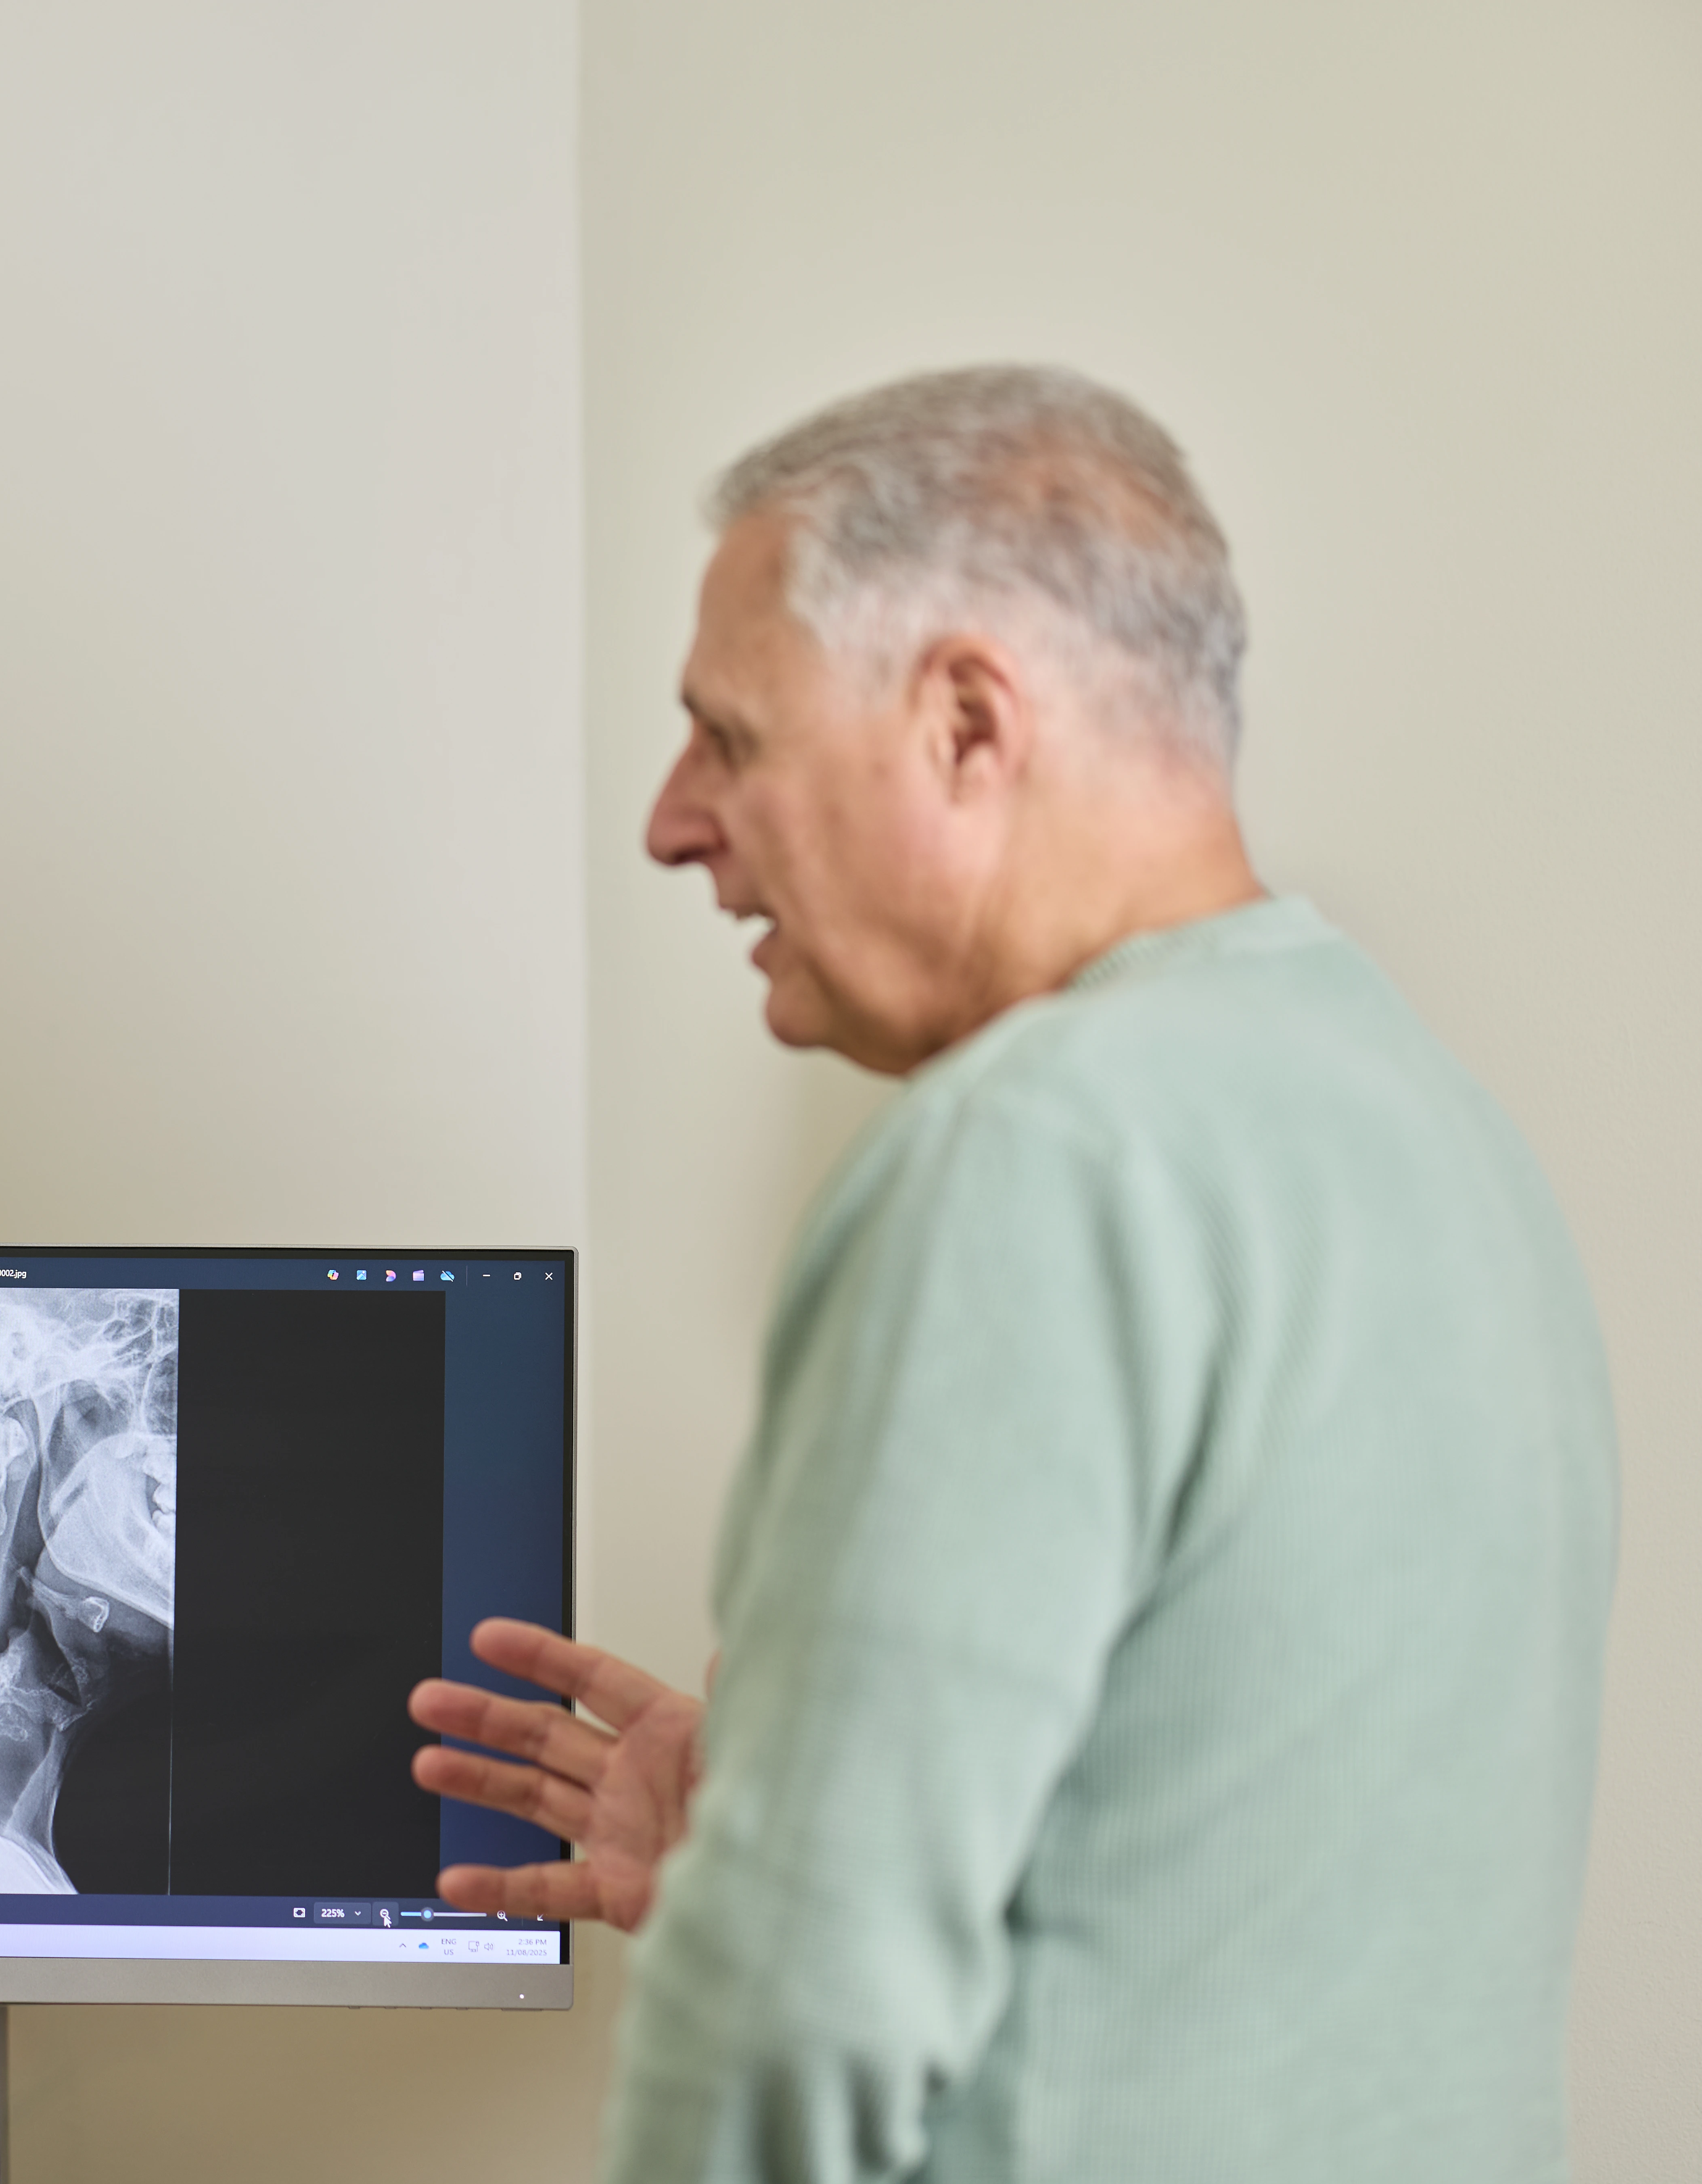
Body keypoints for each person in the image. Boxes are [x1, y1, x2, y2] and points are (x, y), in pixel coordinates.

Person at [412, 367, 1616, 2182]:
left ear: (968, 723)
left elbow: (795, 2012)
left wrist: (783, 1913)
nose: (672, 821)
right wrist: (790, 1818)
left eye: (729, 737)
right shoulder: (1437, 1133)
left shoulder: (1038, 1147)